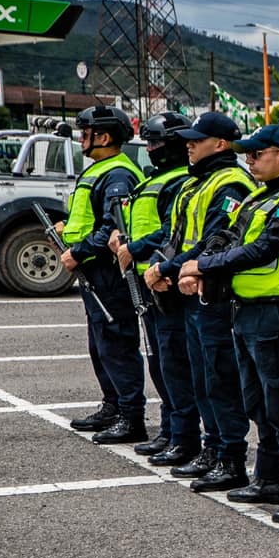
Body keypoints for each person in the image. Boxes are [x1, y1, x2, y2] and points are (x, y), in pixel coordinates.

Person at [179, 122, 279, 522]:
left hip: (278, 311)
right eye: (247, 155)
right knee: (258, 404)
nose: (249, 161)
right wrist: (199, 266)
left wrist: (202, 265)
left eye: (256, 155)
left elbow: (261, 250)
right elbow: (225, 237)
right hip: (246, 310)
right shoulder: (258, 197)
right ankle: (269, 478)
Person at [145, 111, 258, 490]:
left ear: (221, 144)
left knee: (219, 377)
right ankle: (212, 449)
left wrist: (167, 270)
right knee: (200, 376)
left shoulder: (231, 185)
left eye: (197, 139)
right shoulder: (199, 183)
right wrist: (165, 266)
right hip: (190, 293)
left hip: (215, 295)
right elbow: (176, 235)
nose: (188, 145)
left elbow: (214, 239)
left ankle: (230, 456)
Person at [110, 109, 201, 466]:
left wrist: (135, 248)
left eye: (159, 143)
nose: (151, 149)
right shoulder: (157, 179)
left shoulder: (179, 181)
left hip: (168, 281)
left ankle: (184, 435)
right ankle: (170, 429)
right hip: (149, 280)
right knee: (161, 363)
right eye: (148, 143)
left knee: (175, 364)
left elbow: (170, 234)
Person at [58, 105, 147, 443]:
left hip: (111, 273)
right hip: (93, 272)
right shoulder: (100, 169)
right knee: (100, 345)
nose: (81, 138)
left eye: (86, 132)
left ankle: (131, 415)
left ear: (104, 136)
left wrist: (78, 251)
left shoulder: (119, 174)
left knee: (117, 344)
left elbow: (115, 227)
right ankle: (112, 406)